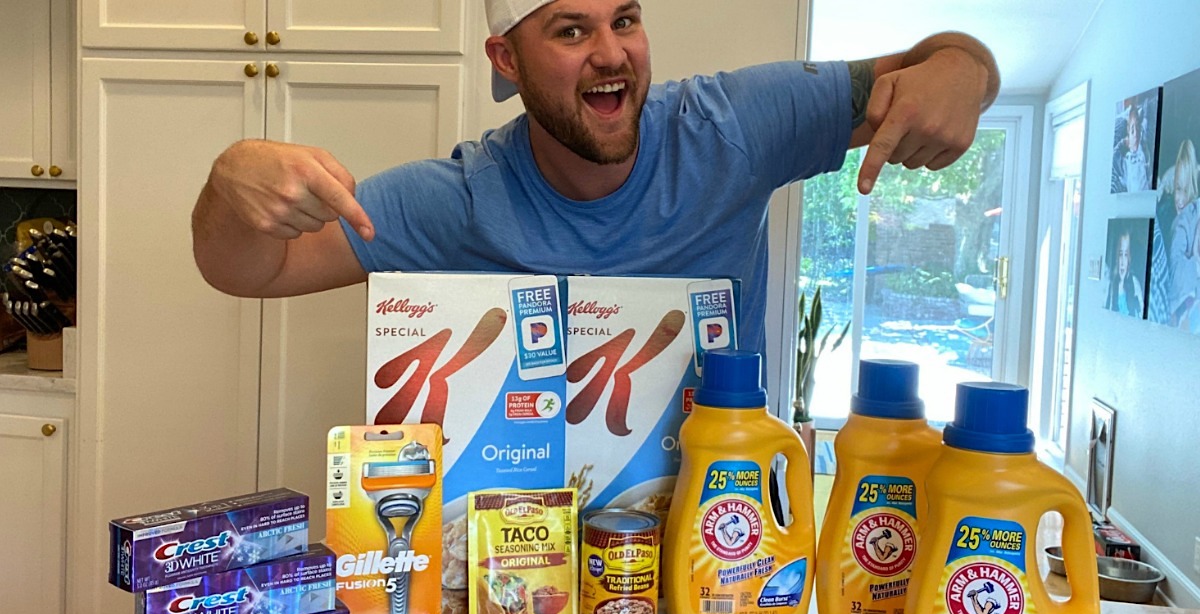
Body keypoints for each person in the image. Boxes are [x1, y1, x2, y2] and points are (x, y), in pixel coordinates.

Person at [191, 0, 1000, 355]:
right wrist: (230, 183)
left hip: (720, 541)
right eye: (571, 29)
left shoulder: (734, 126)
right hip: (521, 561)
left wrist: (966, 67)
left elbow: (943, 61)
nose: (612, 53)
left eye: (626, 20)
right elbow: (243, 271)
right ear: (506, 59)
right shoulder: (460, 198)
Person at [1168, 139, 1199, 330]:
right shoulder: (1178, 223)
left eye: (1185, 190)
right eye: (1177, 189)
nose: (1179, 199)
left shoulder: (1189, 219)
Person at [1104, 229, 1144, 317]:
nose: (1122, 262)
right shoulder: (1109, 283)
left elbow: (1141, 313)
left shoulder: (1134, 284)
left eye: (1125, 255)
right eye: (1120, 254)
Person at [1112, 104, 1151, 193]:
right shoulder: (1126, 162)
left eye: (1138, 128)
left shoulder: (1144, 151)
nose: (1135, 134)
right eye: (1132, 130)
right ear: (1128, 134)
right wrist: (1123, 143)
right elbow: (1114, 157)